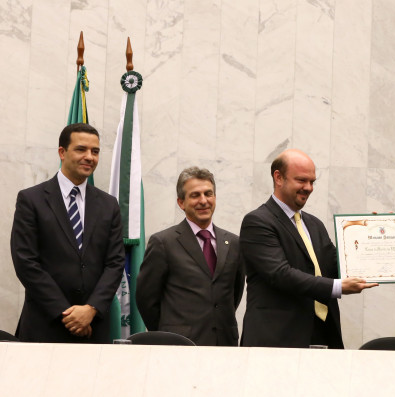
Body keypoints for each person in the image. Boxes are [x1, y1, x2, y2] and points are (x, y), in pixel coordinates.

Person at [240, 149, 377, 348]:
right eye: (302, 180)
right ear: (278, 178)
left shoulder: (314, 225)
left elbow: (337, 266)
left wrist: (371, 236)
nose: (309, 188)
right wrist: (337, 287)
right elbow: (280, 274)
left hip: (321, 336)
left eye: (312, 181)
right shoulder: (258, 222)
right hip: (276, 342)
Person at [10, 123, 124, 343]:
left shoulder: (109, 205)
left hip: (94, 327)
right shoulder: (31, 200)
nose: (89, 157)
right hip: (45, 325)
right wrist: (68, 315)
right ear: (62, 152)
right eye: (81, 149)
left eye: (95, 151)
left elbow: (115, 263)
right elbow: (26, 262)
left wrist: (90, 309)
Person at [136, 167, 245, 346]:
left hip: (224, 344)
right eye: (195, 195)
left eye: (208, 194)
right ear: (181, 202)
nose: (203, 201)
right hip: (180, 345)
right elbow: (146, 299)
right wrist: (168, 332)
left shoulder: (233, 243)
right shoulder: (163, 242)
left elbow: (234, 294)